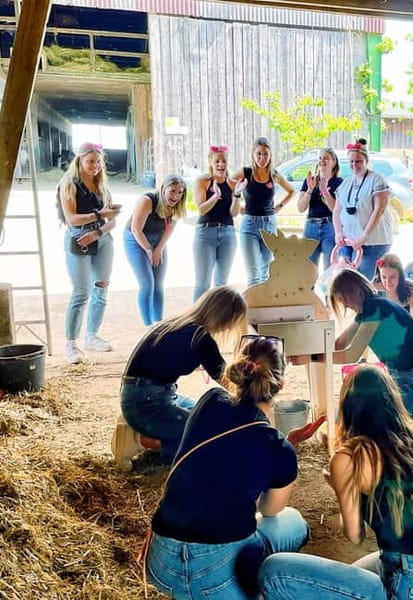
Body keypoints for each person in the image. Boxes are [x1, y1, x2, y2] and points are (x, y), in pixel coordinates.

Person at [260, 365, 413, 600]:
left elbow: (354, 534)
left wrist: (339, 486)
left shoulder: (350, 456)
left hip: (410, 585)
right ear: (391, 399)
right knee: (356, 568)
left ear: (348, 405)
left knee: (273, 571)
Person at [145, 333, 309, 599]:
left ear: (238, 371)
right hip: (218, 579)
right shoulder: (278, 448)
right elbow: (269, 510)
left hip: (161, 568)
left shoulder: (209, 401)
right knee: (295, 523)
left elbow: (231, 446)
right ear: (281, 383)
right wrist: (286, 449)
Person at [120, 286, 247, 460]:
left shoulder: (178, 323)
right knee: (204, 437)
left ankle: (153, 431)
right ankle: (140, 439)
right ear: (224, 317)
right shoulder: (200, 338)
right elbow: (226, 378)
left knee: (206, 417)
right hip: (146, 402)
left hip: (152, 394)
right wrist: (253, 394)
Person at [329, 269, 413, 420]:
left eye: (342, 299)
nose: (344, 305)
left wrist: (314, 358)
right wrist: (315, 348)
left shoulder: (374, 309)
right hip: (405, 373)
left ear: (353, 291)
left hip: (412, 376)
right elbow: (340, 343)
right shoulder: (372, 307)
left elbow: (352, 355)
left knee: (391, 425)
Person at [58, 142, 121, 364]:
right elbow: (72, 219)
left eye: (98, 161)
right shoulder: (69, 183)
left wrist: (100, 230)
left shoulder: (102, 185)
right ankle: (70, 344)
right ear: (80, 161)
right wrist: (98, 216)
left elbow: (112, 220)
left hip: (102, 237)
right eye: (90, 161)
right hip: (78, 236)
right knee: (81, 291)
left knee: (101, 288)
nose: (95, 166)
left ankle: (91, 336)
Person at [124, 174, 188, 326]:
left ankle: (158, 323)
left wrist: (159, 248)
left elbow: (169, 230)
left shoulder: (176, 205)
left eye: (180, 192)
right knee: (147, 283)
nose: (176, 196)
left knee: (158, 283)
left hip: (158, 240)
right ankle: (148, 325)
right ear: (163, 189)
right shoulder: (147, 201)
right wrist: (147, 249)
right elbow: (135, 229)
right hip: (136, 239)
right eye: (172, 191)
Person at [232, 137, 295, 286]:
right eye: (259, 154)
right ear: (253, 154)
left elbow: (291, 191)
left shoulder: (274, 174)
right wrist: (237, 203)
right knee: (253, 272)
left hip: (269, 225)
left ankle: (265, 306)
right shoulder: (246, 172)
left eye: (265, 154)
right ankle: (253, 307)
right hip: (249, 225)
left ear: (270, 155)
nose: (262, 158)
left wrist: (279, 207)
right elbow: (228, 184)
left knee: (266, 271)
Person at [333, 138, 393, 278]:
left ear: (366, 161)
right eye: (352, 161)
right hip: (349, 241)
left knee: (362, 280)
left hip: (373, 242)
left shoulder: (377, 180)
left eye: (358, 161)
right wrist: (338, 233)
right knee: (345, 279)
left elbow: (379, 210)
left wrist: (364, 236)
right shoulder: (346, 183)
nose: (355, 165)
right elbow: (337, 210)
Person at [193, 145, 238, 301]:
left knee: (221, 283)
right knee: (202, 284)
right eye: (217, 161)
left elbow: (234, 213)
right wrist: (214, 197)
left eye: (224, 161)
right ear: (210, 162)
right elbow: (201, 209)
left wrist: (237, 196)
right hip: (206, 232)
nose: (221, 164)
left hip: (228, 233)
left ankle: (217, 321)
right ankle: (195, 323)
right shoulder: (203, 181)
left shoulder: (233, 184)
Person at [299, 147, 343, 270]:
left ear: (334, 162)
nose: (322, 161)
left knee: (330, 266)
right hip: (311, 227)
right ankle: (310, 289)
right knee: (308, 268)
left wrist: (325, 192)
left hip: (330, 227)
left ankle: (327, 290)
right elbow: (301, 208)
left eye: (326, 158)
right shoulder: (310, 181)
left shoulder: (339, 183)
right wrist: (310, 189)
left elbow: (336, 210)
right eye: (320, 158)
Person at [373, 252, 413, 324]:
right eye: (384, 277)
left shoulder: (411, 289)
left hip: (406, 328)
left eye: (392, 277)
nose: (388, 282)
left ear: (400, 275)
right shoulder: (375, 288)